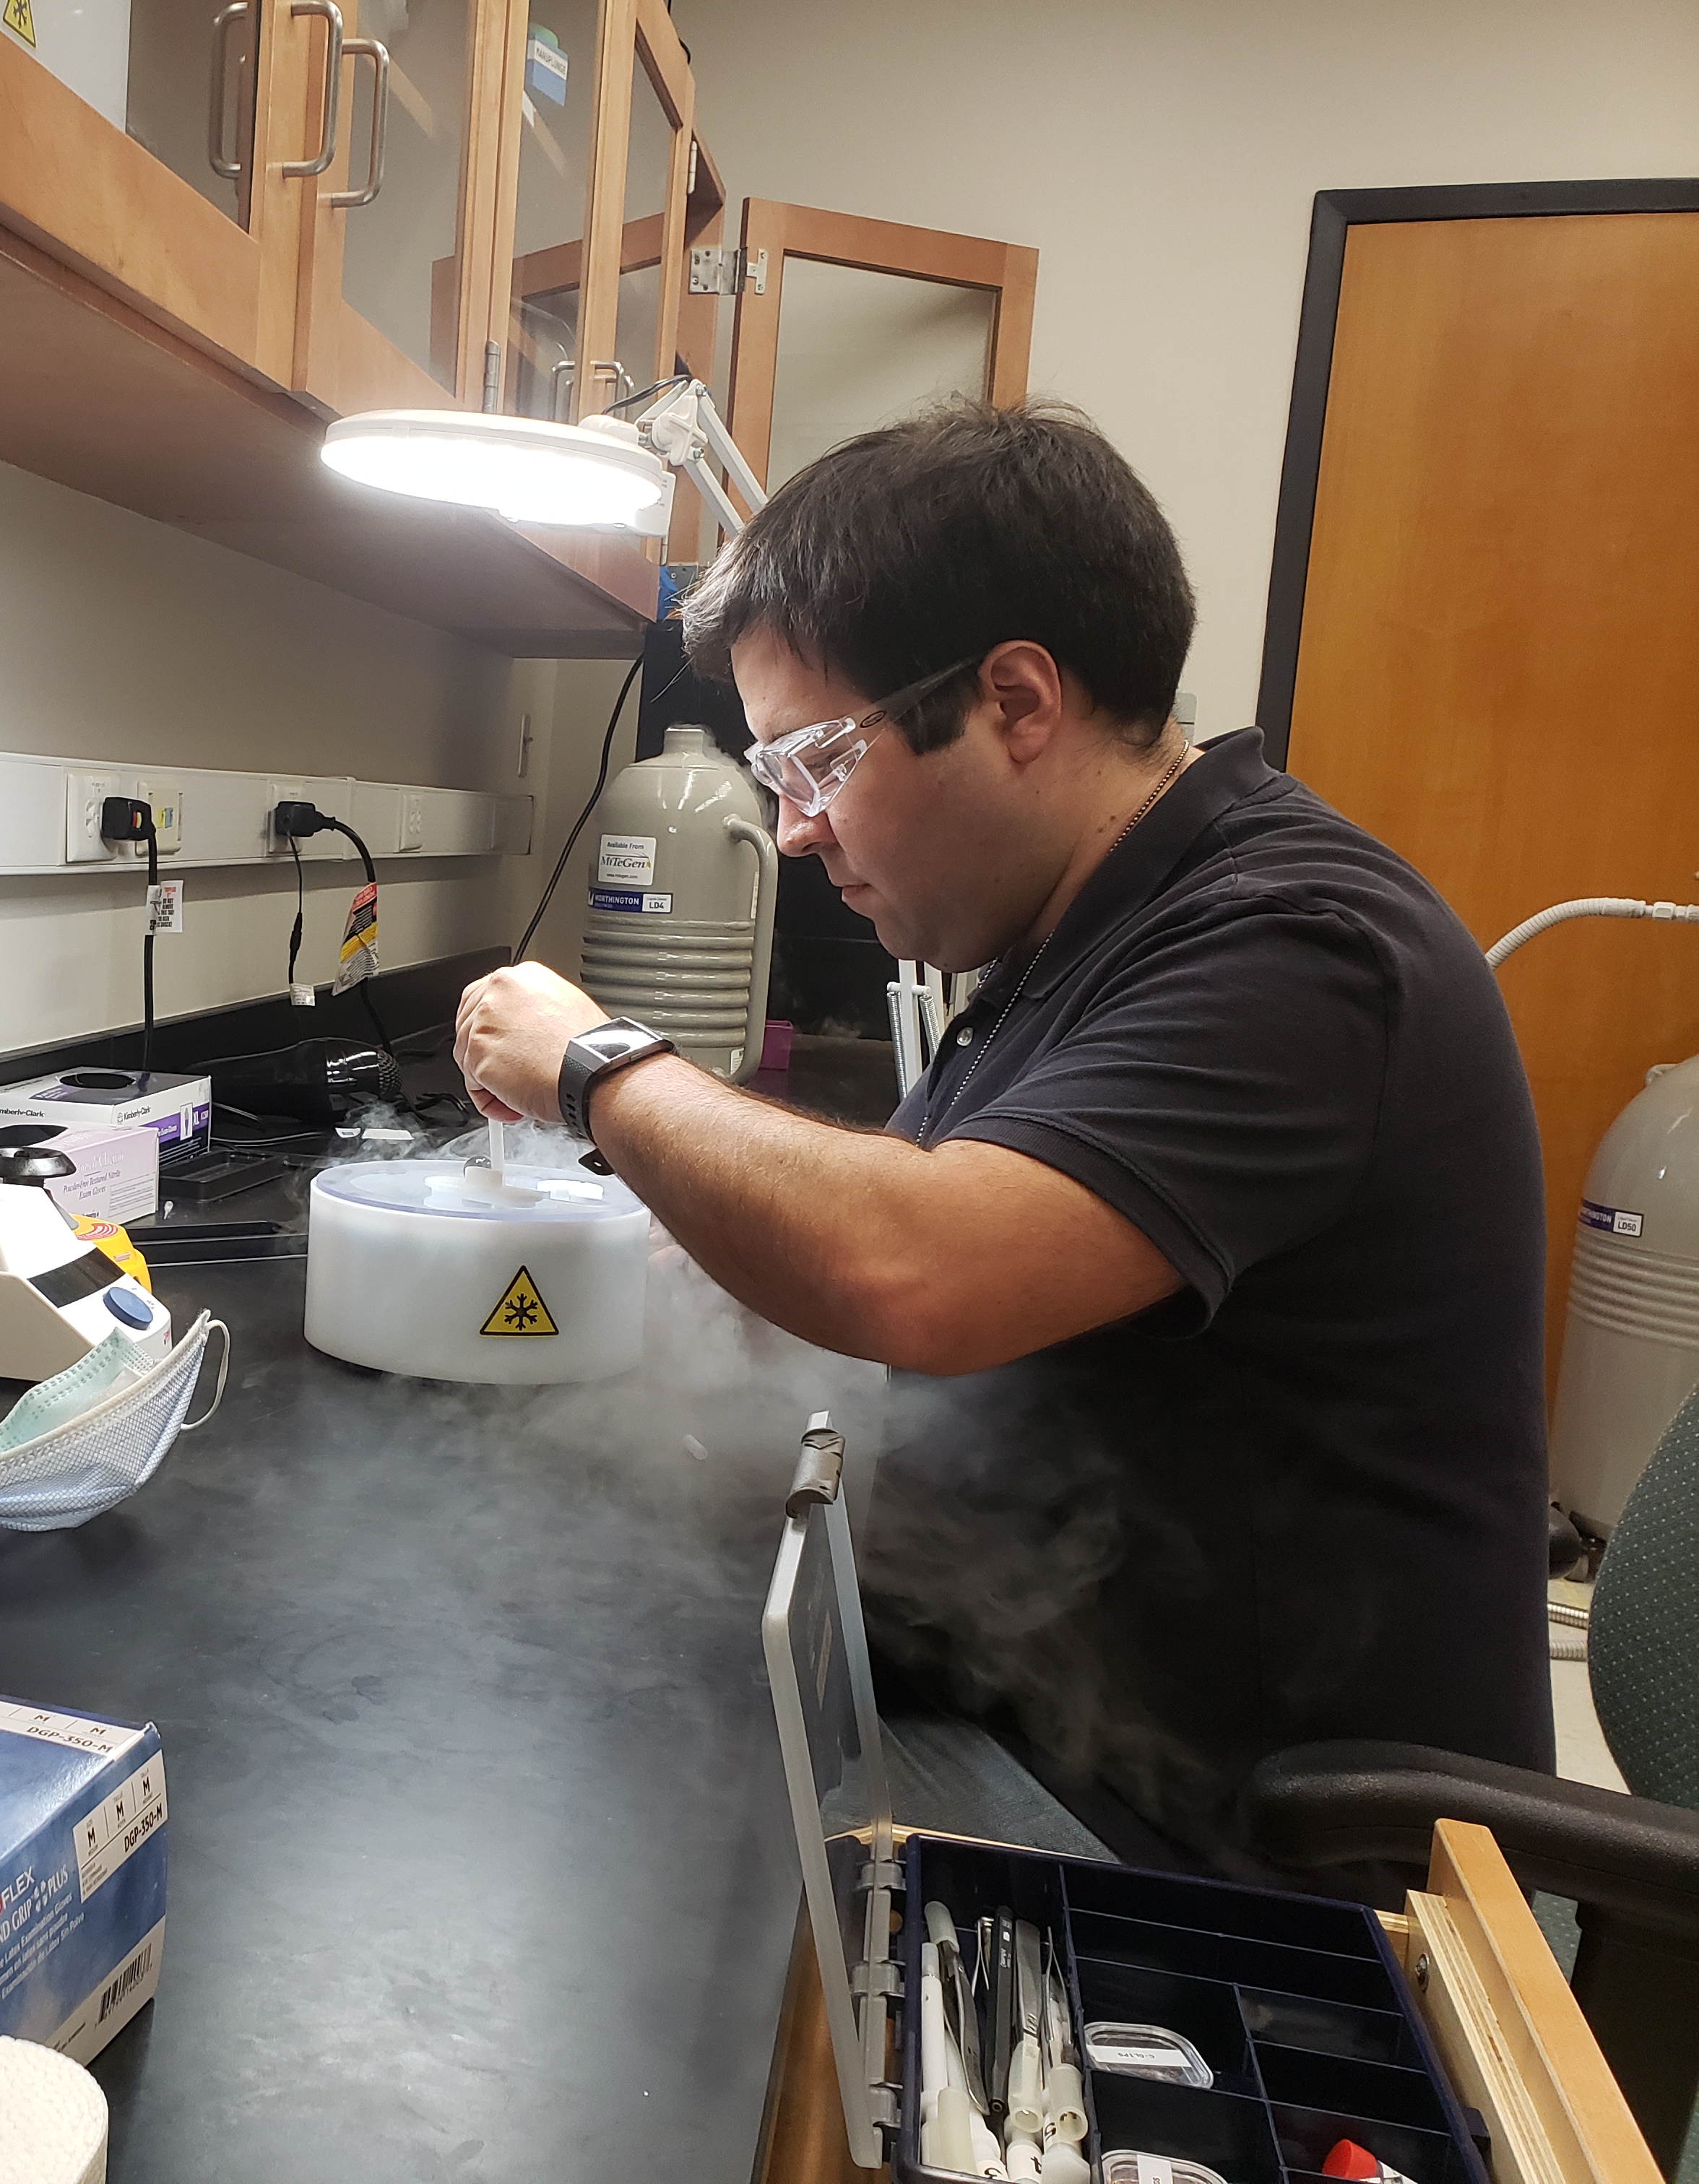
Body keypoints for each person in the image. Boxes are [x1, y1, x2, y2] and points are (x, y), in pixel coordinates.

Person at [452, 399, 1552, 1868]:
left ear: (1020, 702)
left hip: (1260, 1873)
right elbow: (889, 1248)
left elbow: (913, 1268)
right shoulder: (1066, 949)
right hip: (1055, 1710)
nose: (794, 828)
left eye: (819, 762)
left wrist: (593, 1065)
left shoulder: (1304, 948)